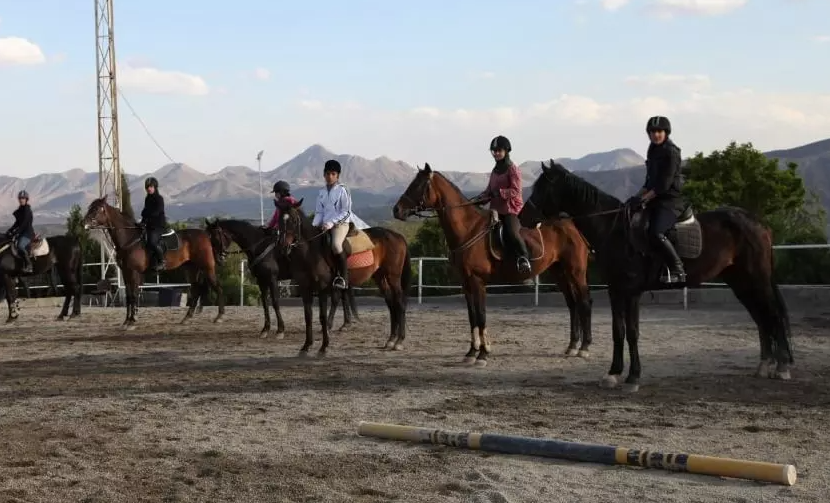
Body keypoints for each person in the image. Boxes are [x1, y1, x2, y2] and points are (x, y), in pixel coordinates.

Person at [625, 115, 686, 283]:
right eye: (652, 132)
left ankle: (678, 269)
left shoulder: (672, 152)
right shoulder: (652, 150)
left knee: (656, 232)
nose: (655, 135)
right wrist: (635, 198)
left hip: (670, 201)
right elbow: (649, 181)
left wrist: (644, 200)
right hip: (654, 199)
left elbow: (663, 185)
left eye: (659, 131)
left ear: (666, 132)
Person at [476, 135, 531, 274]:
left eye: (498, 150)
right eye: (493, 150)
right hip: (495, 210)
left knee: (511, 232)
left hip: (511, 210)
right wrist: (480, 199)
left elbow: (516, 190)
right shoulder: (494, 171)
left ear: (506, 151)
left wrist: (499, 193)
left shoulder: (513, 169)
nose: (495, 153)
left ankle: (524, 258)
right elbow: (489, 190)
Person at [312, 159, 352, 290]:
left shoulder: (342, 190)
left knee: (335, 245)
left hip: (340, 224)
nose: (330, 176)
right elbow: (319, 212)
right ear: (324, 174)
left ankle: (343, 277)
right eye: (327, 173)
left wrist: (331, 223)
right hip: (324, 224)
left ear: (337, 176)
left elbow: (346, 211)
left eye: (333, 174)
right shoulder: (321, 192)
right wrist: (314, 225)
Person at [140, 177, 167, 271]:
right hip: (150, 225)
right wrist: (142, 222)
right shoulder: (147, 199)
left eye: (150, 186)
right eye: (147, 187)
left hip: (158, 226)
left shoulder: (159, 199)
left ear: (155, 187)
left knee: (152, 241)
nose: (148, 189)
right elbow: (144, 213)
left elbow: (156, 212)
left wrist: (146, 215)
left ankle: (162, 261)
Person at [6, 190, 35, 273]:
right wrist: (10, 230)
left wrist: (16, 233)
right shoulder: (20, 210)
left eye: (23, 198)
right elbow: (17, 223)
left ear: (26, 199)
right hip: (22, 233)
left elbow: (24, 224)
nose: (21, 200)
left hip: (28, 234)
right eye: (20, 198)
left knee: (20, 246)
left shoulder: (27, 210)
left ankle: (29, 265)